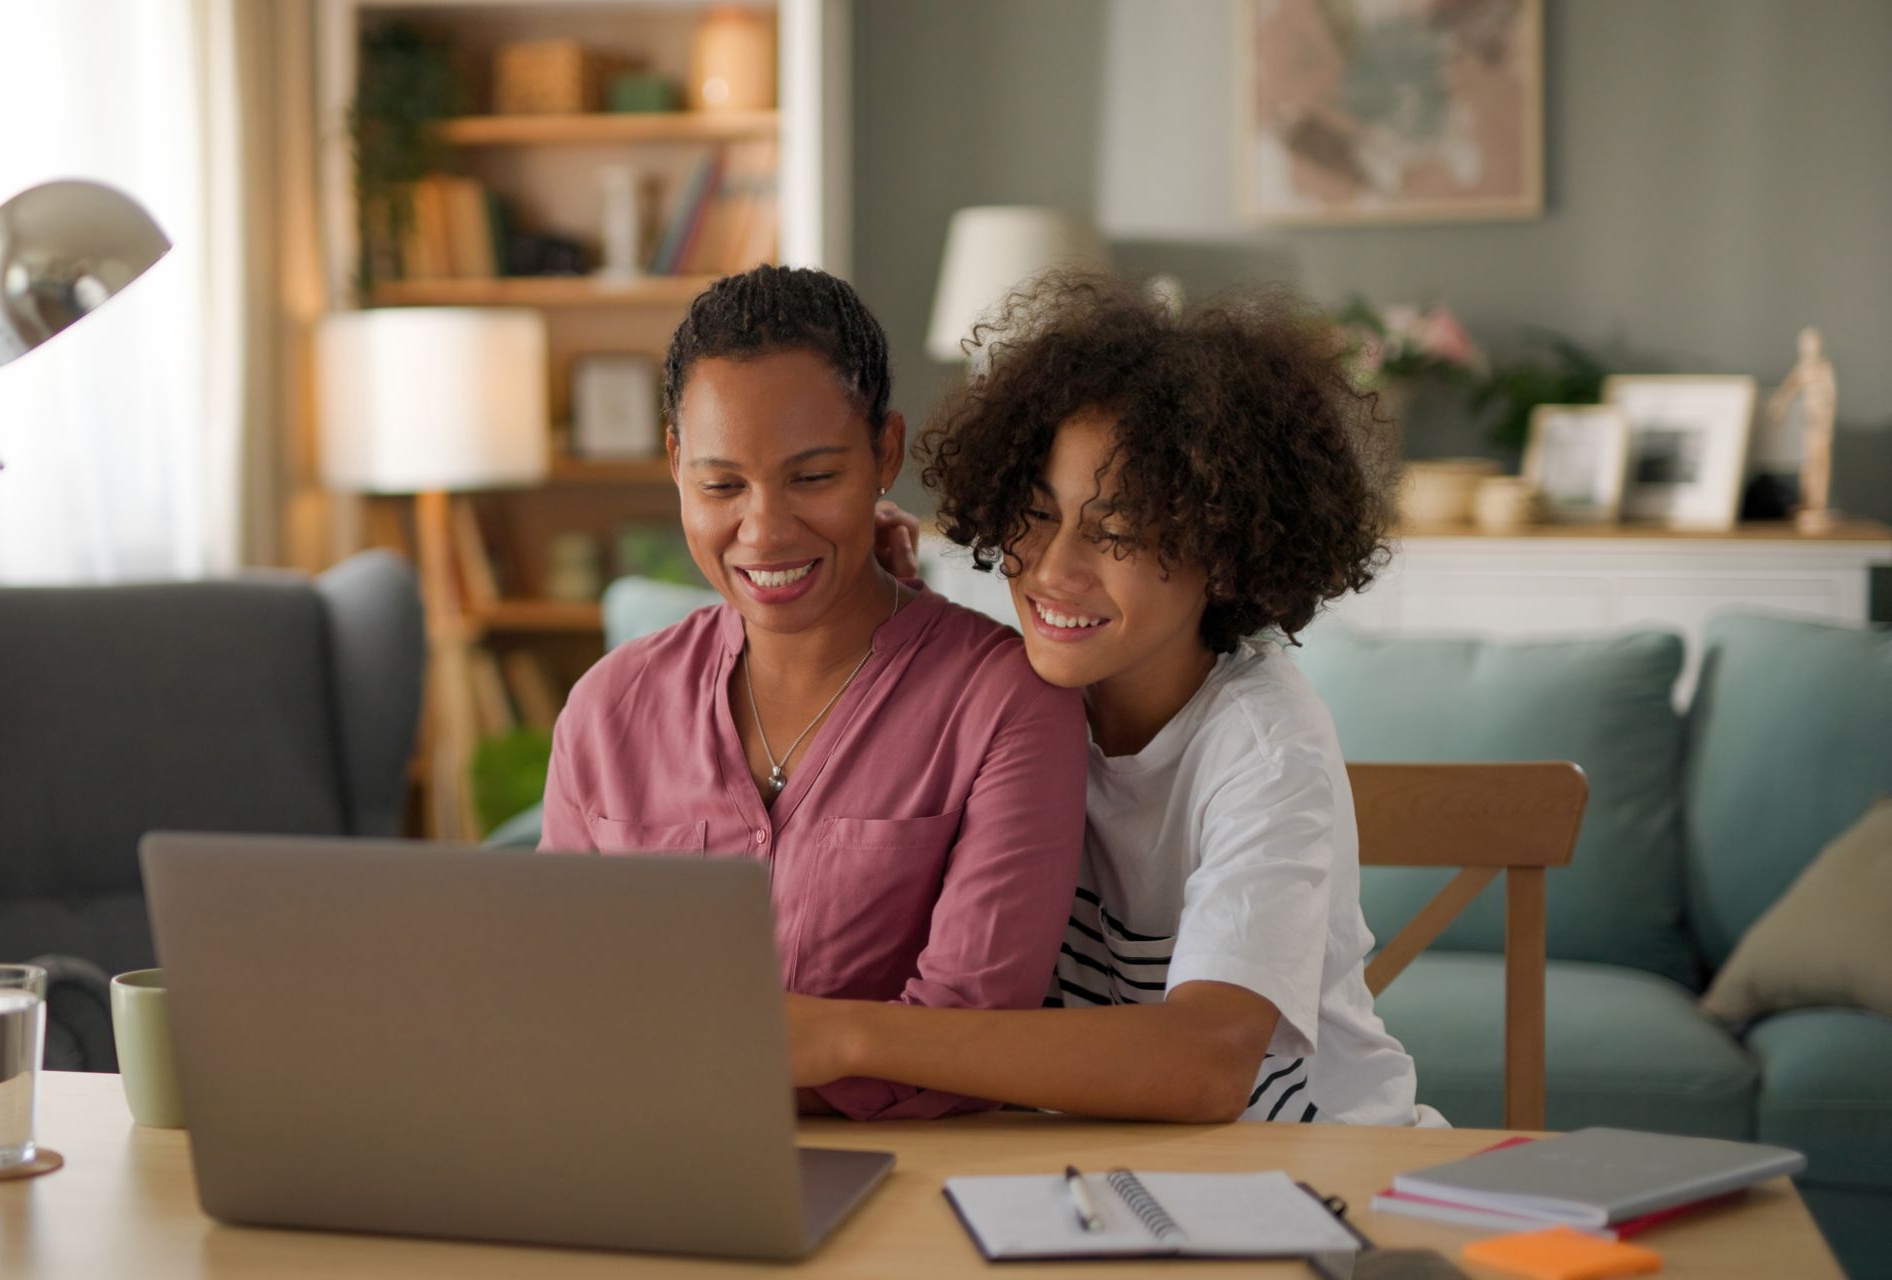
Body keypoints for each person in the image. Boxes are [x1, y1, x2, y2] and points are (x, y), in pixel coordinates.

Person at [786, 274, 1431, 1126]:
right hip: (1111, 1169)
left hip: (1321, 1171)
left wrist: (849, 1037)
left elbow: (1206, 1063)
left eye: (1116, 531)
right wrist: (896, 610)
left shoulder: (1263, 745)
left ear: (1225, 551)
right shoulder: (1020, 695)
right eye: (1035, 512)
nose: (1055, 569)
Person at [539, 265, 1088, 1121]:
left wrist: (686, 1072)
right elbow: (559, 998)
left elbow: (970, 1030)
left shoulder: (1006, 705)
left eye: (813, 477)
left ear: (885, 453)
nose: (764, 531)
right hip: (639, 1157)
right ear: (676, 464)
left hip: (908, 1172)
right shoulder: (607, 708)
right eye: (722, 485)